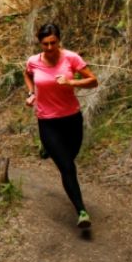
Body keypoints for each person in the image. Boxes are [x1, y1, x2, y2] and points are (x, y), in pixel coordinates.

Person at [23, 23, 99, 229]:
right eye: (45, 43)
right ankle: (81, 211)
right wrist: (31, 93)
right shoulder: (33, 62)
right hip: (47, 121)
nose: (49, 47)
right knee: (67, 166)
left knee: (70, 158)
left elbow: (93, 81)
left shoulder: (71, 58)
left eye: (53, 43)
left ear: (59, 40)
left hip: (72, 119)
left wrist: (71, 82)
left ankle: (49, 149)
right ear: (40, 42)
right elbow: (28, 74)